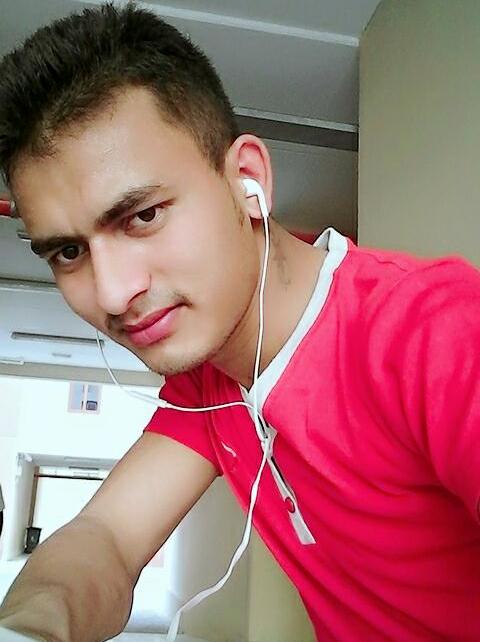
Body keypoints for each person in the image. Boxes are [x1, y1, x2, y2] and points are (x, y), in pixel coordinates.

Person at [0, 3, 479, 642]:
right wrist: (32, 626)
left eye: (143, 215)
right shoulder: (209, 382)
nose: (113, 293)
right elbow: (106, 538)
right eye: (68, 251)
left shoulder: (437, 333)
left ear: (247, 181)